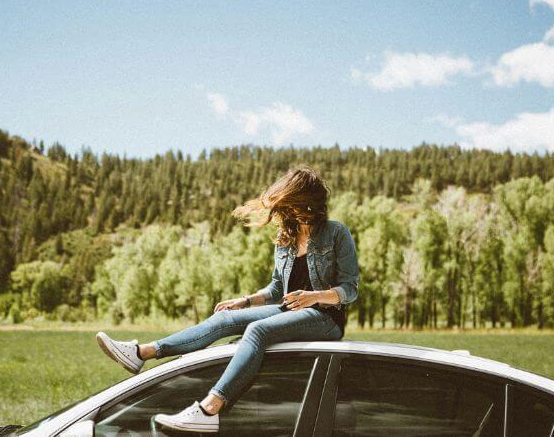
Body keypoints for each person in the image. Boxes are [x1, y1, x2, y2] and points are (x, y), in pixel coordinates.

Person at [95, 165, 359, 433]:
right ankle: (141, 353)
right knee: (224, 318)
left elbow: (350, 289)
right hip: (287, 310)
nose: (289, 209)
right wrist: (244, 301)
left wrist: (314, 297)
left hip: (326, 318)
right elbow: (277, 288)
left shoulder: (336, 233)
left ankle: (209, 409)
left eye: (293, 202)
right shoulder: (285, 239)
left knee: (257, 331)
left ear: (307, 201)